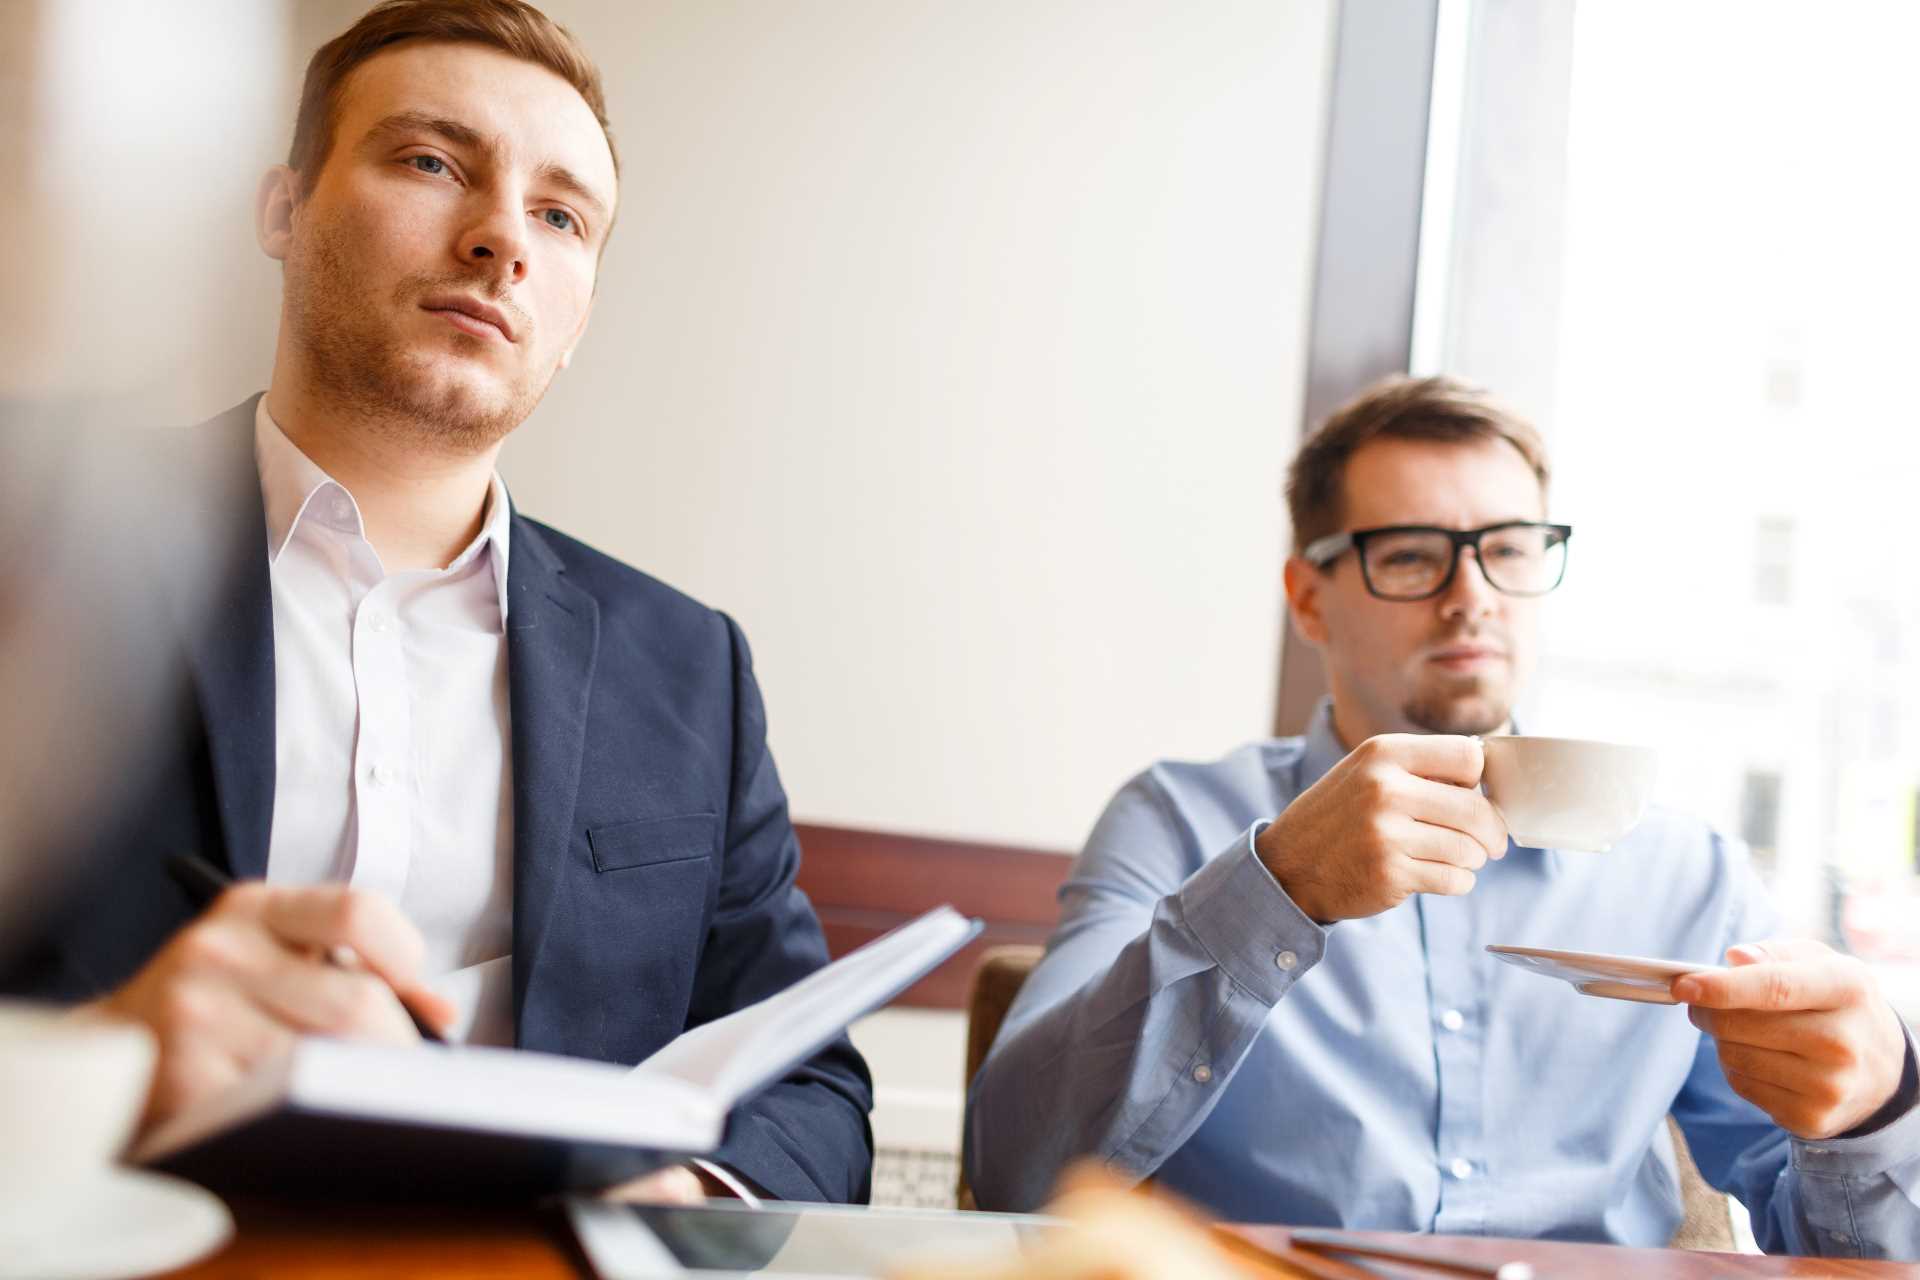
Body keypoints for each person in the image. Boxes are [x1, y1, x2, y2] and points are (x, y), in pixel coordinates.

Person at [0, 0, 871, 1205]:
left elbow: (814, 1083)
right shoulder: (37, 537)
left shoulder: (692, 668)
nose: (502, 239)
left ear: (575, 321)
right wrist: (92, 1066)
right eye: (431, 161)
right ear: (282, 209)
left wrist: (697, 1191)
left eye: (561, 216)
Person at [965, 375, 1920, 1257]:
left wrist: (1876, 1108)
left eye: (1507, 550)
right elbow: (1015, 1167)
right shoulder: (1174, 819)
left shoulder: (1689, 873)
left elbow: (1839, 1250)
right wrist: (1276, 889)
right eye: (1414, 556)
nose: (1473, 598)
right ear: (1308, 598)